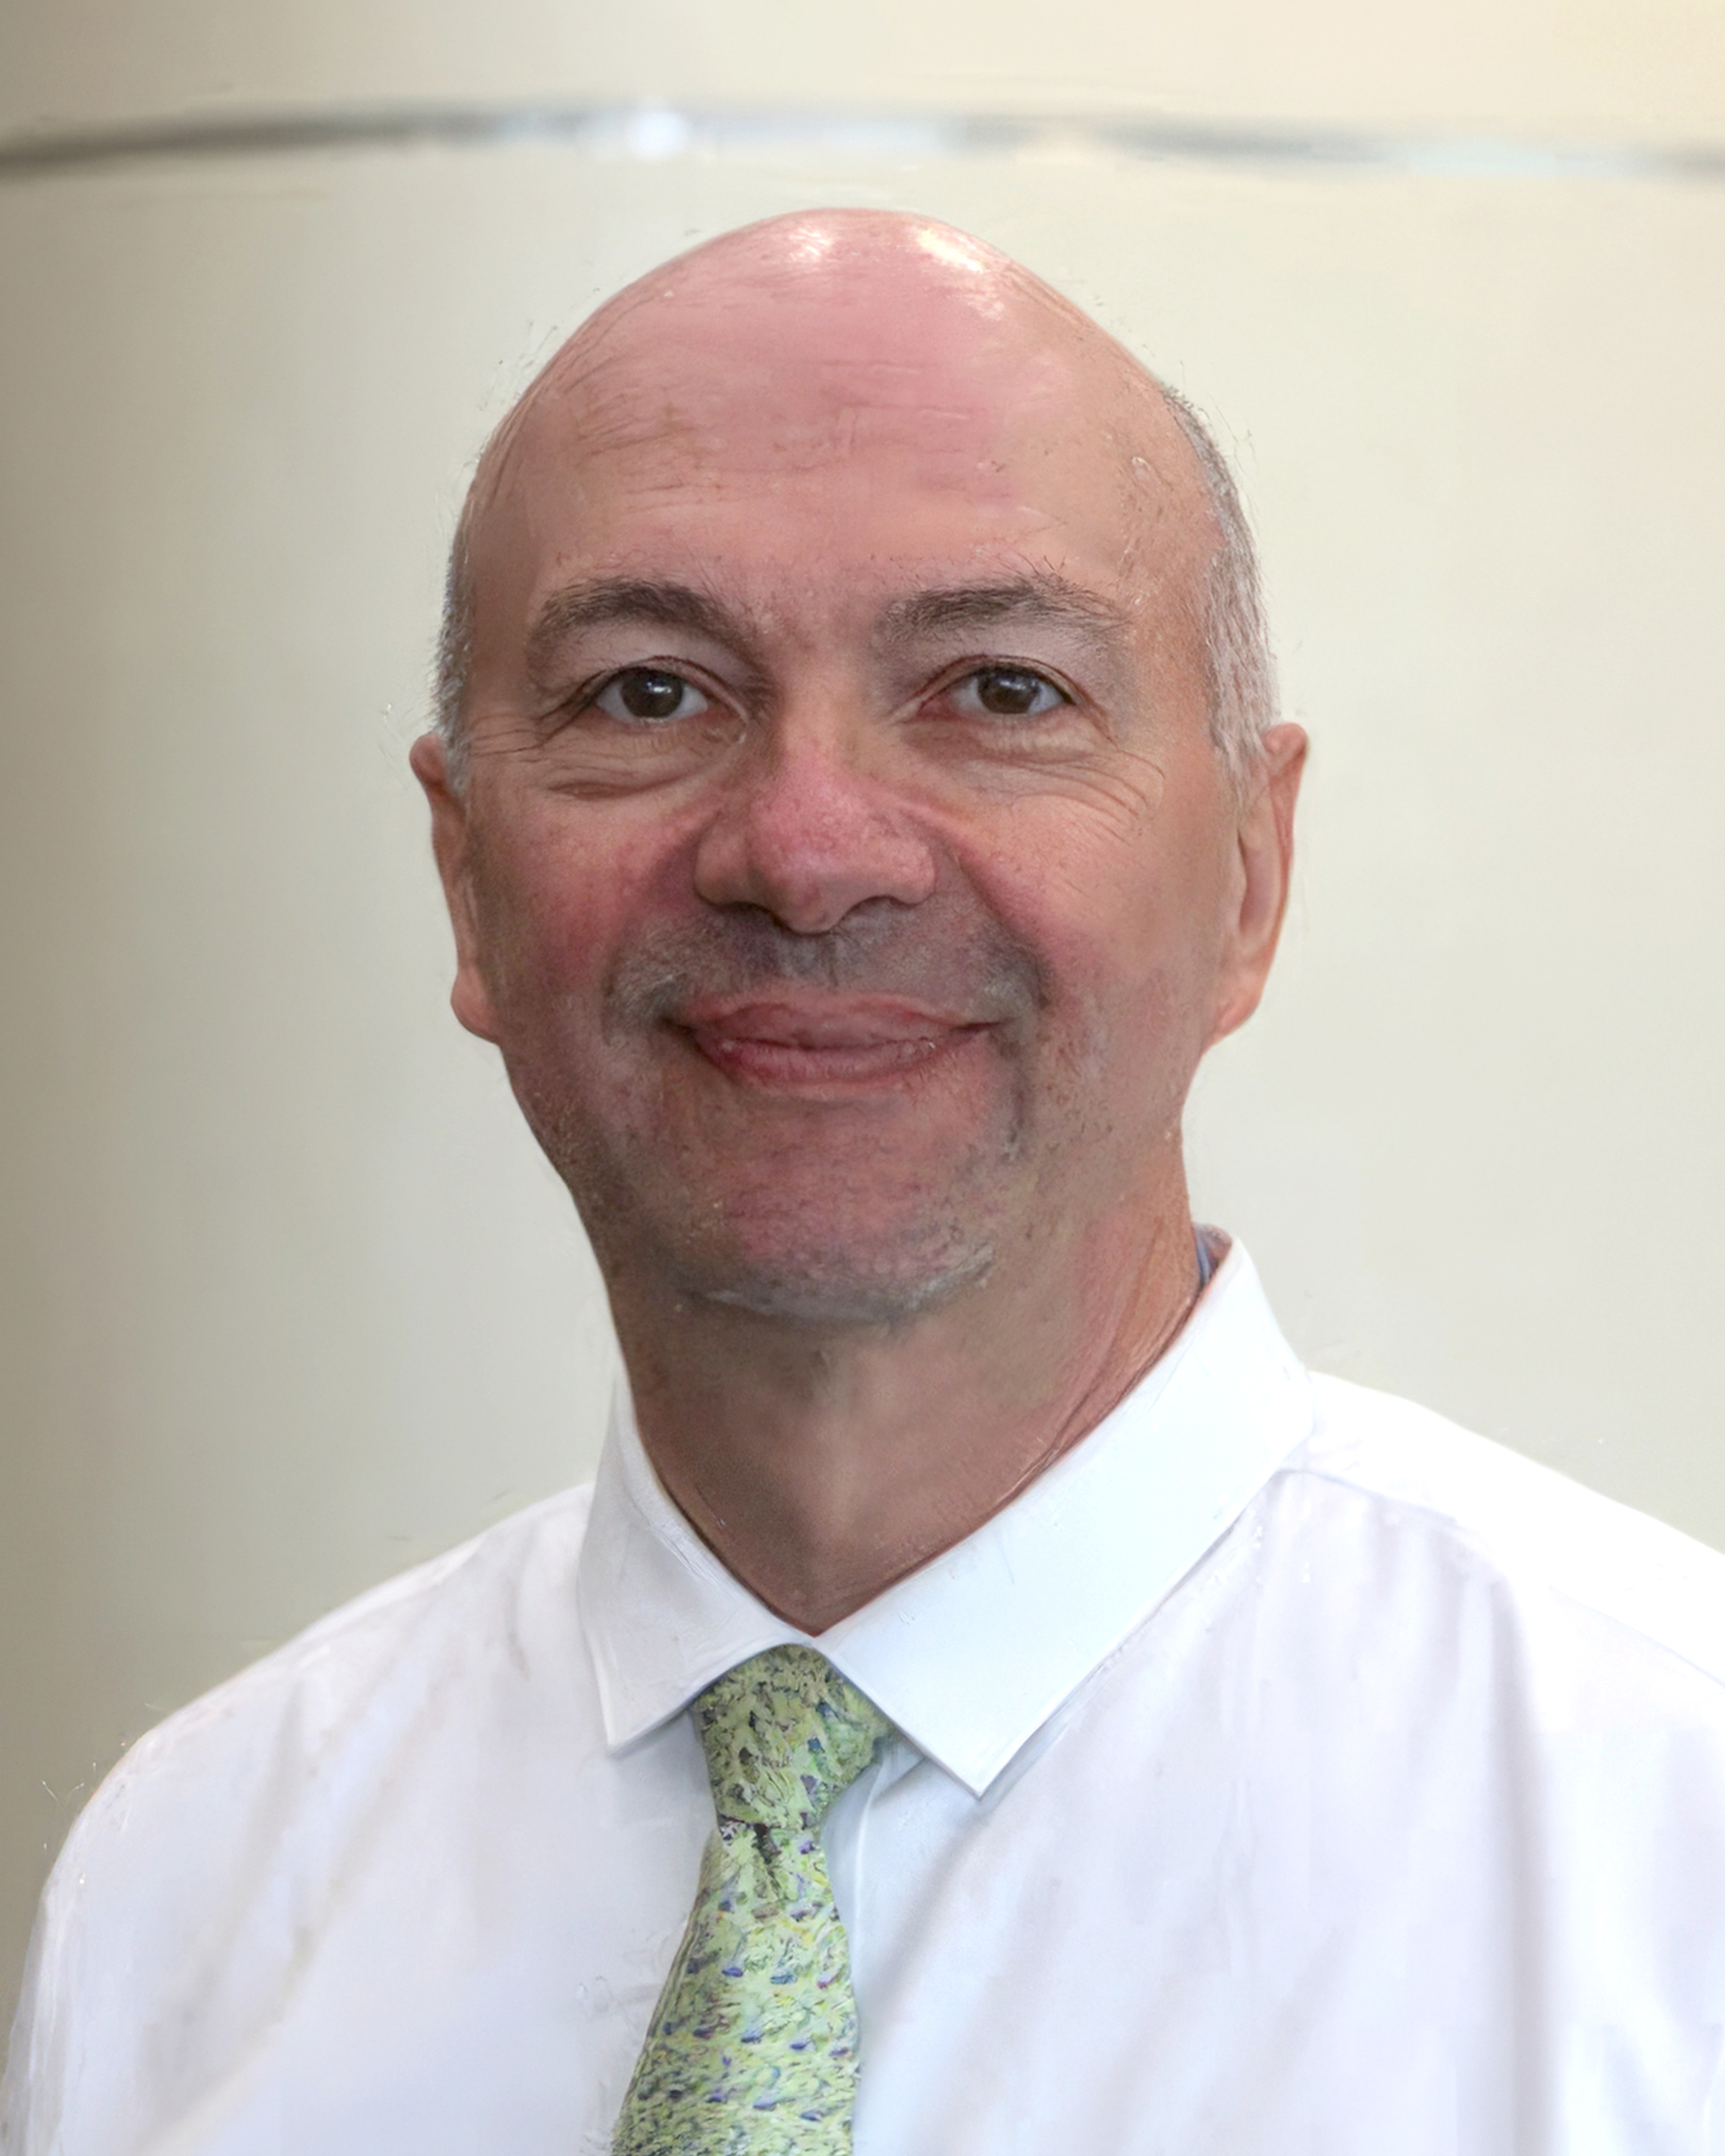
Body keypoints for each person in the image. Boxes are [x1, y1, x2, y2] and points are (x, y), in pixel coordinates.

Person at [6, 207, 1725, 2156]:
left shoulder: (1672, 1854)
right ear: (466, 879)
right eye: (651, 693)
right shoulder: (186, 1902)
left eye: (998, 690)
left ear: (1251, 872)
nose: (809, 851)